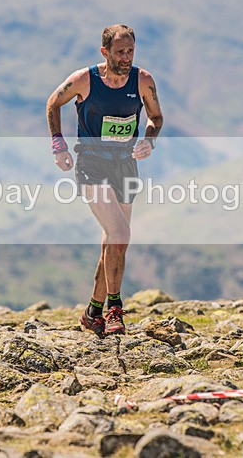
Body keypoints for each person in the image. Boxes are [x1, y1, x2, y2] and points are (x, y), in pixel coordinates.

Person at [46, 24, 164, 337]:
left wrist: (149, 140)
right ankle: (115, 308)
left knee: (114, 242)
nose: (126, 58)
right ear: (105, 52)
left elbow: (156, 117)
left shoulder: (143, 80)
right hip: (92, 164)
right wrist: (58, 144)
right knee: (120, 232)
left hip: (125, 164)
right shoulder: (84, 79)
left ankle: (92, 312)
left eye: (131, 51)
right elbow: (53, 103)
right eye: (120, 52)